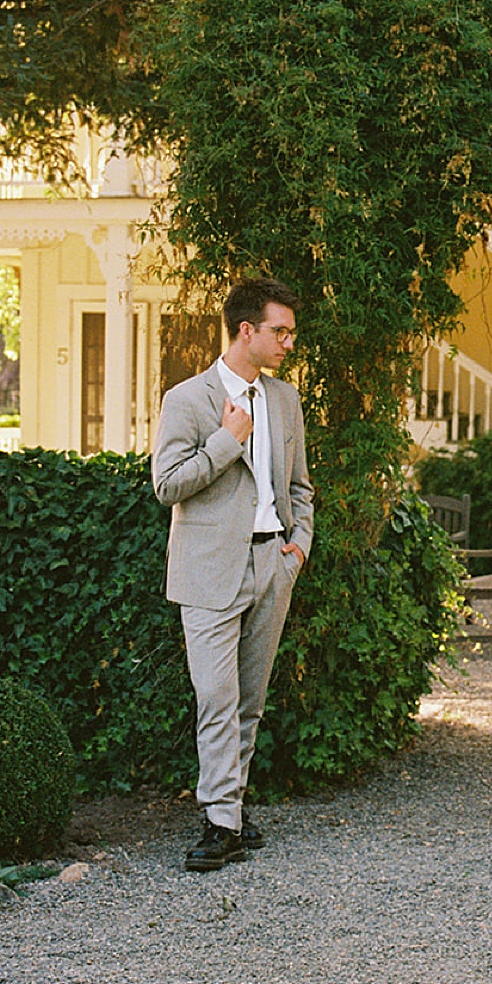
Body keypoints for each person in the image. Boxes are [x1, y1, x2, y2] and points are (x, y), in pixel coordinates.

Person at [153, 279, 314, 872]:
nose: (288, 343)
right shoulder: (187, 399)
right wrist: (227, 440)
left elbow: (299, 487)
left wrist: (297, 549)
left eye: (290, 333)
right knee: (215, 696)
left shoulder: (286, 400)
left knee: (249, 699)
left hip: (272, 562)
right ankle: (220, 819)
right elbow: (166, 484)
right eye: (280, 331)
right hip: (208, 568)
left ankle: (233, 812)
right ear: (246, 330)